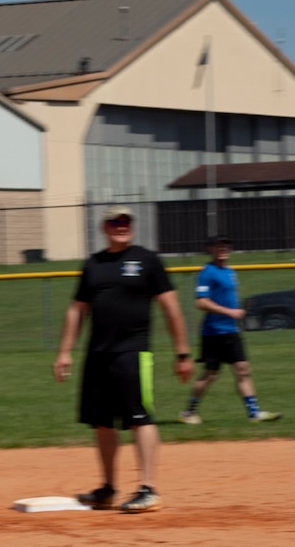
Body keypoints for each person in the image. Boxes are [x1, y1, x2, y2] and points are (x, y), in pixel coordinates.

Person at [53, 208, 193, 513]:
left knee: (138, 417)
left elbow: (171, 307)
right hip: (98, 354)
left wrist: (182, 353)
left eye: (127, 222)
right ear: (105, 227)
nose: (122, 227)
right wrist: (65, 351)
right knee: (103, 423)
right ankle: (108, 488)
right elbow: (77, 310)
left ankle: (147, 488)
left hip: (133, 352)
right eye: (115, 222)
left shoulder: (147, 260)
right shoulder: (94, 264)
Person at [179, 235, 281, 426]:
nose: (223, 248)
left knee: (243, 370)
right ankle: (188, 412)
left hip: (230, 330)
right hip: (213, 331)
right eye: (219, 246)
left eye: (226, 245)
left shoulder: (229, 271)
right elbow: (200, 301)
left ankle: (254, 413)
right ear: (210, 249)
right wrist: (229, 312)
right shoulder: (207, 272)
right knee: (210, 374)